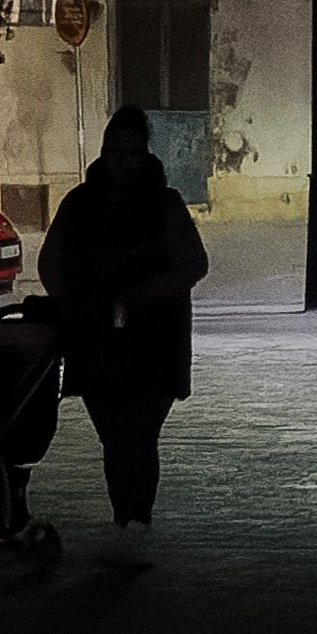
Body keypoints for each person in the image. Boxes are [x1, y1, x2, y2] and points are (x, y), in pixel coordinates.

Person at [37, 106, 209, 566]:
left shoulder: (165, 204)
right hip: (96, 338)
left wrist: (138, 295)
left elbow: (193, 263)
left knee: (139, 434)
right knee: (114, 437)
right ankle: (125, 517)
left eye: (131, 153)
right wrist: (78, 304)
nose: (121, 162)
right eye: (114, 152)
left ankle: (137, 519)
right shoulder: (79, 203)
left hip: (153, 338)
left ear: (145, 153)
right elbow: (50, 262)